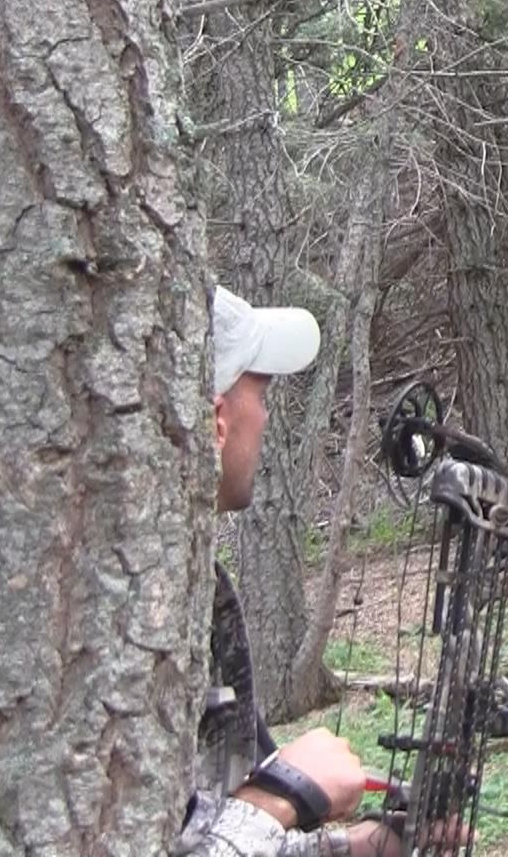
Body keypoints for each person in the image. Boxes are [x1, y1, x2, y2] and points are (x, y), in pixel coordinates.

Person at [172, 286, 400, 857]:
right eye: (261, 391)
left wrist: (365, 847)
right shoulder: (121, 615)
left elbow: (208, 833)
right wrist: (281, 795)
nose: (267, 415)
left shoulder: (194, 585)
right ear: (218, 420)